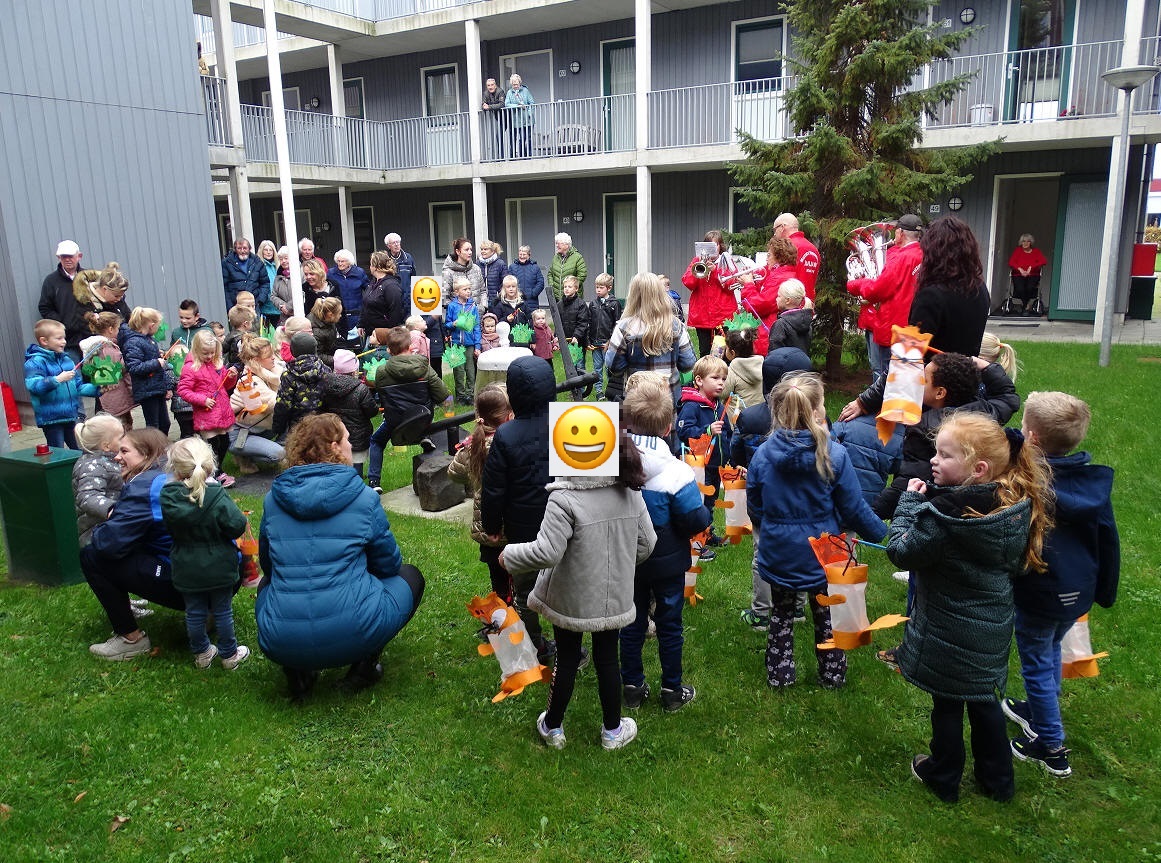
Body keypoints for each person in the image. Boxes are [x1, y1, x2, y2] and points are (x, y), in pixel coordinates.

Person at [887, 413, 1053, 804]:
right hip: (992, 625)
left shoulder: (946, 516)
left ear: (977, 469)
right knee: (983, 699)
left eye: (945, 455)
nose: (933, 460)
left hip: (948, 629)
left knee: (946, 703)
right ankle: (997, 781)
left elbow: (901, 551)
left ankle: (942, 774)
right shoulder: (1014, 503)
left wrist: (910, 503)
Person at [501, 431, 656, 751]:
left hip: (571, 596)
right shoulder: (628, 491)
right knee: (606, 658)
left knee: (568, 658)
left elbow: (547, 552)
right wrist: (622, 567)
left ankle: (553, 725)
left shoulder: (564, 497)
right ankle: (613, 731)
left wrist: (509, 556)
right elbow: (647, 543)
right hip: (613, 595)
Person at [256, 413, 426, 702]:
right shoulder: (363, 497)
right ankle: (363, 668)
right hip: (356, 630)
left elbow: (269, 567)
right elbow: (389, 565)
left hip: (281, 638)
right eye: (348, 439)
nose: (351, 445)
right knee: (411, 577)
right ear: (335, 447)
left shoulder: (274, 500)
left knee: (266, 586)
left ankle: (298, 674)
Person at [1004, 392, 1119, 778]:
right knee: (1049, 649)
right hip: (1077, 590)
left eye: (1024, 428)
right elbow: (1109, 539)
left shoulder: (1030, 484)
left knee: (1037, 661)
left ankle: (1050, 745)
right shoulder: (1091, 484)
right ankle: (1038, 710)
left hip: (1040, 590)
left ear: (1033, 439)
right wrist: (1104, 590)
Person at [747, 372, 887, 690]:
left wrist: (769, 526)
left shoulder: (762, 455)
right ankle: (832, 674)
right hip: (826, 552)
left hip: (780, 550)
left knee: (782, 613)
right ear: (817, 412)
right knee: (827, 615)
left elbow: (755, 506)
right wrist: (882, 533)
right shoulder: (834, 455)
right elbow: (853, 508)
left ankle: (780, 675)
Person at [619, 376, 711, 713]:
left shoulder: (612, 463)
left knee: (629, 621)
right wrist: (702, 511)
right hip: (667, 564)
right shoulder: (677, 472)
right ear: (669, 424)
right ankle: (672, 691)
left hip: (626, 559)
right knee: (670, 624)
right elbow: (695, 520)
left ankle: (631, 687)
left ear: (626, 420)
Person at [480, 356, 558, 661]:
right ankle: (569, 644)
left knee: (525, 590)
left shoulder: (506, 434)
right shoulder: (568, 424)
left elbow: (494, 488)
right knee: (564, 583)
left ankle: (533, 643)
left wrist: (492, 526)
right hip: (564, 522)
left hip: (523, 527)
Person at [730, 348, 814, 630]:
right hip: (805, 499)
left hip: (765, 500)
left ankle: (762, 612)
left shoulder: (751, 417)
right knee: (804, 548)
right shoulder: (816, 422)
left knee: (763, 553)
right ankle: (798, 608)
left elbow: (737, 453)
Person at [82, 428, 182, 660]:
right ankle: (209, 612)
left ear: (147, 455)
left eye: (125, 451)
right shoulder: (183, 470)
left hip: (187, 583)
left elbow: (108, 544)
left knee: (91, 556)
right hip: (226, 576)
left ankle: (131, 639)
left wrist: (100, 528)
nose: (117, 457)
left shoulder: (143, 486)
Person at [161, 437, 250, 670]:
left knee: (194, 611)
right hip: (219, 563)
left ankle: (201, 653)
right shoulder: (216, 494)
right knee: (222, 610)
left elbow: (170, 528)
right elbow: (236, 524)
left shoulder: (168, 496)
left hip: (185, 563)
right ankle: (229, 655)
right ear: (210, 463)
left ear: (175, 467)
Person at [448, 384, 515, 602]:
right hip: (513, 522)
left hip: (486, 526)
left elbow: (454, 473)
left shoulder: (472, 445)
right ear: (509, 416)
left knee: (498, 578)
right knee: (519, 576)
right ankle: (518, 619)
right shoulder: (511, 443)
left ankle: (502, 617)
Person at [366, 326, 450, 493]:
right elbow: (443, 395)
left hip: (395, 422)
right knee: (425, 410)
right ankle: (424, 437)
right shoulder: (424, 367)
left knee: (376, 441)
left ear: (388, 349)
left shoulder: (382, 371)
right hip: (422, 418)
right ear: (411, 346)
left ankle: (374, 482)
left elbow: (382, 394)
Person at [845, 214, 924, 379]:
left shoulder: (902, 258)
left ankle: (879, 405)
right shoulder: (922, 255)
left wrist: (856, 284)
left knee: (883, 376)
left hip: (891, 327)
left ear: (900, 233)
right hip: (911, 327)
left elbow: (878, 289)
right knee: (904, 378)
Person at [604, 272, 695, 404]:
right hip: (669, 401)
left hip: (636, 401)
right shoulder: (676, 326)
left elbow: (614, 366)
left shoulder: (624, 327)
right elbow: (688, 364)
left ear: (633, 296)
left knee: (632, 425)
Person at [909, 216, 992, 356]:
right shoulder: (980, 288)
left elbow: (911, 353)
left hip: (934, 374)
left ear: (932, 252)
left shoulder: (931, 296)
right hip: (968, 373)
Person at [177, 330, 239, 488]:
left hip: (222, 411)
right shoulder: (191, 368)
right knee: (212, 445)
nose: (210, 356)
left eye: (212, 352)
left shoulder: (216, 363)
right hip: (206, 414)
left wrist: (231, 377)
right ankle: (215, 472)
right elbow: (183, 390)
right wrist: (202, 400)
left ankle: (216, 469)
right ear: (196, 350)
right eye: (205, 353)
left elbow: (225, 385)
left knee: (225, 442)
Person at [676, 355, 732, 523]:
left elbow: (728, 432)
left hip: (716, 463)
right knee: (700, 500)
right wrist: (707, 430)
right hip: (700, 464)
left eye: (723, 378)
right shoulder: (692, 406)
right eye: (715, 378)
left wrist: (730, 456)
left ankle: (707, 532)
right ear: (699, 380)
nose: (721, 382)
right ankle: (697, 536)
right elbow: (683, 431)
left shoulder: (719, 406)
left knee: (711, 500)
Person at [229, 334, 286, 473]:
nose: (273, 358)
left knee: (291, 423)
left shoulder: (270, 372)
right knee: (280, 454)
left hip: (260, 428)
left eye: (273, 353)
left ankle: (257, 450)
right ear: (256, 360)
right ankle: (244, 455)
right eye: (269, 356)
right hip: (239, 434)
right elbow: (278, 402)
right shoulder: (249, 382)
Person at [321, 348, 379, 478]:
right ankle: (356, 488)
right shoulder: (360, 389)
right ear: (354, 371)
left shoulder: (325, 385)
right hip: (358, 437)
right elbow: (372, 411)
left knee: (337, 466)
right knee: (356, 465)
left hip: (335, 434)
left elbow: (322, 408)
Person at [72, 413, 126, 547]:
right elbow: (87, 496)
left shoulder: (111, 460)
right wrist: (112, 509)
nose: (125, 440)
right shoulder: (92, 466)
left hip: (114, 527)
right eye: (121, 438)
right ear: (106, 446)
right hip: (97, 533)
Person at [682, 230, 738, 357]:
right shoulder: (697, 260)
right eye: (708, 245)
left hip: (723, 315)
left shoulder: (726, 260)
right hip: (702, 315)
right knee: (705, 352)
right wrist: (700, 269)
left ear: (720, 246)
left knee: (725, 352)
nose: (713, 248)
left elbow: (731, 284)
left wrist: (716, 271)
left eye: (715, 245)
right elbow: (688, 283)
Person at [742, 236, 797, 356]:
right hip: (770, 332)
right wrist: (754, 282)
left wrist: (748, 284)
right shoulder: (779, 274)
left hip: (768, 336)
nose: (767, 259)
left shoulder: (779, 278)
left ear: (778, 257)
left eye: (769, 255)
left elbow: (758, 306)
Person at [79, 312, 134, 431]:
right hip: (116, 392)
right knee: (122, 424)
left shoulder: (94, 348)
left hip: (106, 392)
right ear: (110, 329)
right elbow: (120, 367)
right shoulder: (107, 348)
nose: (119, 331)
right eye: (118, 328)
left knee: (119, 421)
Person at [120, 307, 171, 434]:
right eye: (158, 325)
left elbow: (145, 357)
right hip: (147, 390)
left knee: (165, 423)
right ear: (151, 325)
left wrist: (157, 355)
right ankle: (154, 449)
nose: (158, 328)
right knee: (153, 424)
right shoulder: (133, 342)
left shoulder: (149, 339)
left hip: (156, 387)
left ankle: (161, 447)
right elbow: (134, 367)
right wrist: (156, 362)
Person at [169, 299, 213, 438]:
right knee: (186, 422)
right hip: (183, 378)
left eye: (188, 318)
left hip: (202, 379)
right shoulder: (177, 332)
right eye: (181, 317)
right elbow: (173, 352)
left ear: (197, 316)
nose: (184, 321)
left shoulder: (206, 331)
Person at [271, 332, 327, 438]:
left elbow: (283, 404)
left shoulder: (289, 375)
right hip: (323, 424)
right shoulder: (326, 370)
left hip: (298, 428)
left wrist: (278, 428)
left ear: (292, 351)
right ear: (315, 350)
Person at [38, 240, 88, 361]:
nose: (67, 259)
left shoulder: (89, 277)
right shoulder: (51, 281)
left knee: (97, 376)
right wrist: (62, 324)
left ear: (79, 256)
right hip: (68, 342)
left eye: (70, 256)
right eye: (63, 256)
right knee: (74, 376)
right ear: (59, 258)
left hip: (90, 338)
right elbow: (45, 307)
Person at [446, 278, 482, 404]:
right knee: (458, 371)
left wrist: (477, 346)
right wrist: (453, 324)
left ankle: (470, 394)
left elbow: (477, 327)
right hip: (456, 344)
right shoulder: (452, 306)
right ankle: (460, 396)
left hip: (470, 344)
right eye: (465, 289)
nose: (468, 292)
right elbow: (447, 324)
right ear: (457, 292)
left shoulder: (473, 307)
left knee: (471, 371)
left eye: (469, 289)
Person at [587, 273, 621, 399]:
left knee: (609, 367)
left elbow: (617, 324)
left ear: (609, 288)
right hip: (595, 342)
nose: (598, 290)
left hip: (608, 343)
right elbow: (589, 322)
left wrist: (611, 340)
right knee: (597, 368)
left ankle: (611, 389)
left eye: (601, 288)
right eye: (596, 287)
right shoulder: (593, 304)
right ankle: (599, 390)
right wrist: (588, 340)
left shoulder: (614, 303)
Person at [771, 213, 820, 298]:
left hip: (790, 304)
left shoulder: (785, 248)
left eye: (775, 230)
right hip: (808, 304)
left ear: (782, 227)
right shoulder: (814, 249)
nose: (774, 234)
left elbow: (776, 277)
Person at [360, 250, 406, 339]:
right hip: (371, 332)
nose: (369, 267)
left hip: (385, 335)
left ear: (376, 267)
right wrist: (361, 323)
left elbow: (396, 311)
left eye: (371, 264)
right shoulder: (373, 283)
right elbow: (366, 304)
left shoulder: (391, 285)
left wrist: (390, 333)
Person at [221, 238, 269, 313]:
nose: (242, 251)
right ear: (235, 249)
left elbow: (265, 283)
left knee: (255, 325)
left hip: (254, 306)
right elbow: (224, 286)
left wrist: (260, 300)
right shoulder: (227, 263)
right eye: (239, 248)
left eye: (245, 248)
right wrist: (230, 307)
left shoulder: (257, 262)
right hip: (236, 307)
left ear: (249, 249)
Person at [767, 279, 812, 355]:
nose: (776, 299)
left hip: (784, 366)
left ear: (787, 300)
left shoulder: (780, 324)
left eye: (779, 296)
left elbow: (774, 356)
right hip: (803, 365)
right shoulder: (807, 322)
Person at [724, 328, 763, 414]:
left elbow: (722, 393)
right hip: (760, 412)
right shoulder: (761, 364)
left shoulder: (732, 371)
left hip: (739, 418)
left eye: (726, 348)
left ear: (733, 353)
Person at [1007, 234, 1048, 316]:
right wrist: (1020, 269)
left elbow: (1044, 261)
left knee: (1030, 287)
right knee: (1020, 289)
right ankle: (1026, 305)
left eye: (1028, 241)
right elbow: (1011, 262)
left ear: (1031, 243)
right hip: (1018, 274)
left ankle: (1025, 306)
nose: (1025, 243)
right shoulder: (1018, 251)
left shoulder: (1036, 251)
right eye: (1023, 241)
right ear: (1021, 243)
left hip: (1033, 274)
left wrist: (1031, 267)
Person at [440, 237, 485, 308]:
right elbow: (444, 298)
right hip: (459, 317)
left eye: (471, 249)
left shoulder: (476, 269)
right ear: (458, 252)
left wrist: (484, 307)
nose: (470, 252)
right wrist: (458, 310)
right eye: (466, 250)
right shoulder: (447, 272)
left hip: (478, 315)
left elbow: (483, 291)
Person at [328, 249, 369, 327]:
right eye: (338, 261)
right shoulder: (331, 273)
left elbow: (368, 290)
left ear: (349, 262)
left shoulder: (359, 273)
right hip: (338, 314)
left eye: (343, 261)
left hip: (356, 314)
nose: (340, 263)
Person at [558, 274, 590, 365]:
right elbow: (558, 323)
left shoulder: (581, 304)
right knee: (568, 366)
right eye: (565, 287)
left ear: (576, 289)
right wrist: (557, 336)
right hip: (565, 341)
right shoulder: (559, 305)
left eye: (569, 287)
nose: (566, 289)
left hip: (578, 341)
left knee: (579, 365)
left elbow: (583, 323)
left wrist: (576, 336)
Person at [547, 232, 586, 302]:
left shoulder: (577, 257)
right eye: (556, 243)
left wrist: (571, 287)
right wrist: (552, 285)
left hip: (572, 298)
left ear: (567, 244)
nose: (556, 245)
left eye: (559, 243)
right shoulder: (555, 257)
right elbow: (550, 273)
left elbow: (582, 275)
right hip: (557, 298)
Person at [504, 73, 535, 159]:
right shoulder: (509, 93)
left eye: (517, 84)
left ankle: (529, 156)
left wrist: (529, 113)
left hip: (528, 120)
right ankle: (522, 156)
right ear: (511, 84)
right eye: (514, 84)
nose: (515, 86)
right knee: (522, 138)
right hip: (517, 120)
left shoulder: (525, 91)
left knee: (528, 138)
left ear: (520, 83)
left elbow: (531, 102)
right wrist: (517, 106)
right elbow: (507, 104)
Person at [509, 244, 546, 315]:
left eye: (524, 254)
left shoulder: (535, 267)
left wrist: (533, 293)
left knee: (532, 321)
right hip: (516, 299)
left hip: (532, 301)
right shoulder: (512, 267)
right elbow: (509, 282)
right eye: (520, 254)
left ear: (529, 255)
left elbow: (540, 282)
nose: (522, 256)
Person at [308, 295, 343, 368]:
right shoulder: (316, 332)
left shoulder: (328, 320)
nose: (340, 316)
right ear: (330, 315)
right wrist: (335, 360)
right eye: (339, 313)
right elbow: (317, 355)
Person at [255, 240, 281, 328]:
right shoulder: (258, 266)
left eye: (271, 250)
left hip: (279, 307)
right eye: (266, 250)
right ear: (261, 251)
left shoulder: (278, 266)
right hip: (265, 307)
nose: (269, 252)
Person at [477, 239, 508, 308]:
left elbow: (505, 283)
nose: (483, 251)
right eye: (481, 249)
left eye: (485, 249)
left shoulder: (500, 264)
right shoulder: (477, 264)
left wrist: (499, 298)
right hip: (481, 302)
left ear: (492, 251)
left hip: (496, 302)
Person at [482, 77, 507, 159]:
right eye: (488, 85)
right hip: (498, 118)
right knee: (498, 136)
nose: (490, 87)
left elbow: (502, 104)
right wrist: (484, 106)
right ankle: (501, 157)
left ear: (495, 85)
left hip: (508, 117)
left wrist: (489, 107)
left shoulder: (500, 91)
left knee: (510, 136)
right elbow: (483, 104)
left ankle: (509, 155)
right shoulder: (486, 93)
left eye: (492, 85)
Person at [271, 246, 295, 323]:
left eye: (286, 258)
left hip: (299, 314)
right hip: (285, 317)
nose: (283, 261)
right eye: (281, 259)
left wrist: (288, 307)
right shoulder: (278, 277)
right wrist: (282, 307)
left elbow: (302, 292)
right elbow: (273, 296)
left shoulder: (300, 272)